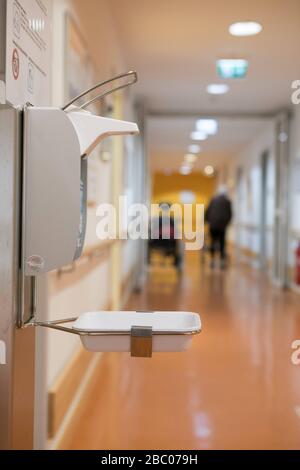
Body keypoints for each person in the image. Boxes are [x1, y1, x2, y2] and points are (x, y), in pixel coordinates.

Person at [205, 185, 232, 269]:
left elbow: (207, 211)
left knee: (213, 241)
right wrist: (227, 223)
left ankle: (212, 260)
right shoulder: (228, 202)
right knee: (222, 243)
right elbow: (230, 214)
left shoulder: (213, 200)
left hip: (212, 225)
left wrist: (206, 221)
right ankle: (222, 261)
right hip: (222, 226)